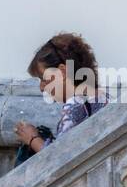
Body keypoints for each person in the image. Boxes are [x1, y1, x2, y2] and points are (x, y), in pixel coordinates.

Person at [13, 32, 106, 166]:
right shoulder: (102, 97)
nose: (41, 88)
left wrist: (32, 138)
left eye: (44, 79)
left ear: (62, 71)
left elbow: (58, 161)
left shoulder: (74, 105)